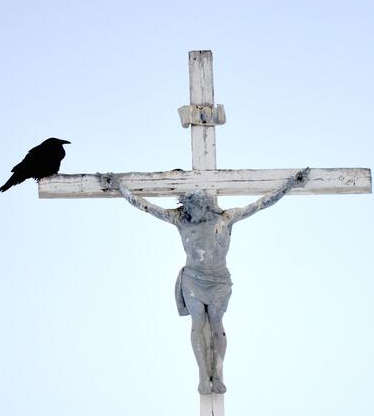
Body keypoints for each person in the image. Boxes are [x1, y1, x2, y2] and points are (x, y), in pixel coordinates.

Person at [102, 168, 310, 394]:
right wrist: (120, 188)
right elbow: (147, 207)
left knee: (216, 321)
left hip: (219, 280)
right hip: (193, 279)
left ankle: (218, 374)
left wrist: (289, 185)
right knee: (198, 322)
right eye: (189, 209)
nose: (192, 212)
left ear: (204, 205)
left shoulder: (226, 218)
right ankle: (203, 376)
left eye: (195, 208)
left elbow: (261, 203)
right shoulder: (181, 219)